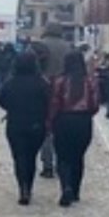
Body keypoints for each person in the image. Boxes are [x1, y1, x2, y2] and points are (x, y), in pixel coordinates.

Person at [0, 52, 51, 205]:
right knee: (31, 157)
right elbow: (49, 101)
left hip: (15, 124)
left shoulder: (10, 82)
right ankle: (29, 185)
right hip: (36, 124)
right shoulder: (42, 83)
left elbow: (2, 101)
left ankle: (23, 187)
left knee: (19, 156)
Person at [49, 50, 99, 207]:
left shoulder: (60, 81)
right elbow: (95, 105)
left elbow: (54, 103)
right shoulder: (90, 81)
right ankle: (76, 191)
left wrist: (50, 121)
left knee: (63, 157)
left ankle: (66, 186)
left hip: (64, 121)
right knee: (78, 156)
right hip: (83, 122)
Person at [34, 22, 68, 178]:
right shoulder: (67, 47)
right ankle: (61, 162)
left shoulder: (39, 45)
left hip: (43, 90)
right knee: (60, 128)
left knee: (46, 128)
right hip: (64, 91)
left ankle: (47, 164)